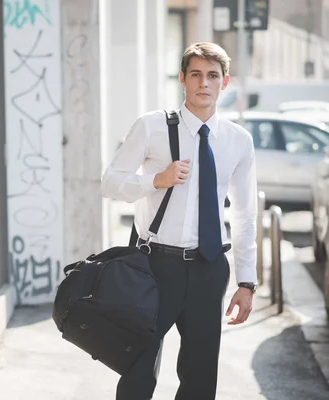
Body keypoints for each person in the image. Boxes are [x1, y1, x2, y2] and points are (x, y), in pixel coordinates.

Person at [101, 42, 258, 400]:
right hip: (154, 265)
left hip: (208, 268)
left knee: (201, 378)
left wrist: (247, 281)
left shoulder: (238, 140)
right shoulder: (152, 127)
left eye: (212, 76)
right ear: (182, 80)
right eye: (196, 75)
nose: (204, 83)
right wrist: (156, 180)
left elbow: (246, 215)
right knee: (138, 370)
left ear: (225, 82)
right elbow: (110, 183)